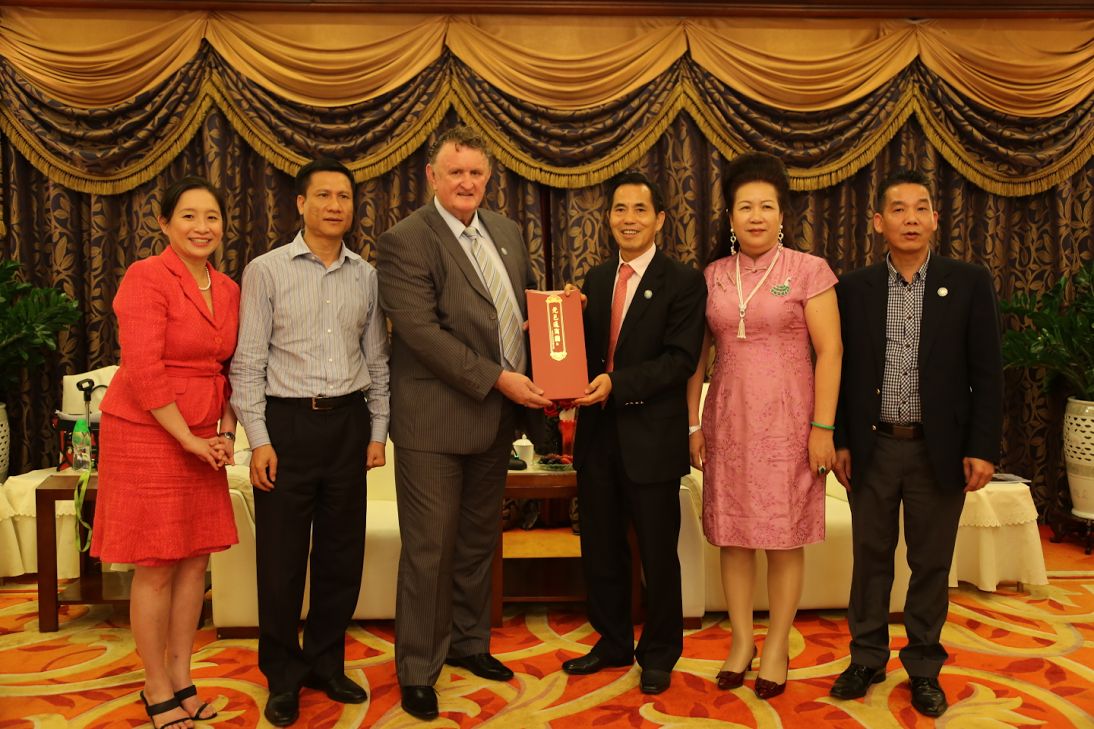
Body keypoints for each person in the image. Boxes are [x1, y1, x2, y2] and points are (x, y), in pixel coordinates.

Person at [376, 125, 552, 722]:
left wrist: (557, 317)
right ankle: (418, 669)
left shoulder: (504, 231)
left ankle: (470, 644)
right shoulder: (405, 241)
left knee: (480, 541)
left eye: (476, 173)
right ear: (432, 176)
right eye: (456, 173)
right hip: (434, 422)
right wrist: (498, 378)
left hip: (494, 420)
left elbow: (523, 307)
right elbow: (422, 334)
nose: (467, 183)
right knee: (429, 549)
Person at [828, 169, 1003, 717]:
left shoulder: (968, 281)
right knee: (870, 558)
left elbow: (988, 373)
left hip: (939, 450)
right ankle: (867, 657)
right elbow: (837, 368)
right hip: (874, 447)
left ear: (934, 218)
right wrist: (838, 439)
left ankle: (924, 666)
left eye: (920, 208)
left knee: (931, 562)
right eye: (897, 209)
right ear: (878, 222)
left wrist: (982, 446)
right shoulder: (853, 288)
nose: (910, 218)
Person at [230, 158, 390, 727]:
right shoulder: (266, 271)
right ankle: (282, 676)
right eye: (323, 195)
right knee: (280, 564)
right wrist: (260, 440)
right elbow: (246, 363)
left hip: (347, 426)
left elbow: (377, 362)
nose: (334, 206)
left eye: (344, 197)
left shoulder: (365, 275)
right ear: (300, 204)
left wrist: (376, 432)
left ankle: (326, 662)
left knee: (341, 559)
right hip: (287, 429)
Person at [685, 152, 842, 699]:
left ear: (783, 214)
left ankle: (776, 644)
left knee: (782, 537)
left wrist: (823, 427)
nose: (756, 216)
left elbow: (832, 351)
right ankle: (740, 642)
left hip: (790, 423)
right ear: (729, 217)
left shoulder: (809, 270)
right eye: (744, 206)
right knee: (733, 536)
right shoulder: (710, 276)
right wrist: (691, 426)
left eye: (766, 206)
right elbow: (694, 361)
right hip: (727, 420)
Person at [91, 176, 239, 729]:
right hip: (150, 434)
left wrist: (224, 430)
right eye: (189, 217)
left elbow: (231, 367)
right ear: (165, 224)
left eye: (212, 218)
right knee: (155, 565)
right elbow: (144, 369)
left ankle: (183, 676)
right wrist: (189, 439)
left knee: (195, 561)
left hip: (205, 436)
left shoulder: (227, 288)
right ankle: (155, 685)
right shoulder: (146, 277)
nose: (203, 228)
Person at [562, 171, 707, 695]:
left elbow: (679, 360)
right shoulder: (597, 280)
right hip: (598, 439)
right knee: (600, 548)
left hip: (652, 440)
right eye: (619, 209)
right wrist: (559, 323)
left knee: (658, 552)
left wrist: (615, 384)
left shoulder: (684, 282)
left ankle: (661, 651)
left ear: (660, 219)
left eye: (639, 210)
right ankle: (613, 641)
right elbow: (586, 354)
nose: (629, 219)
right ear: (608, 218)